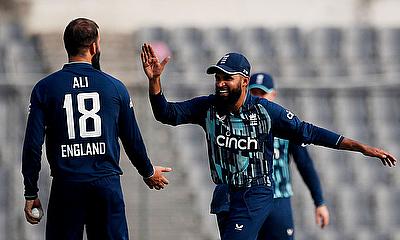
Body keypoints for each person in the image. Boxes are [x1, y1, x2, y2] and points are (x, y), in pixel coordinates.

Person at [140, 43, 396, 240]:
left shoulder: (266, 112)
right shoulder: (207, 107)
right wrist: (155, 82)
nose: (220, 83)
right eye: (217, 77)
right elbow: (166, 114)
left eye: (227, 78)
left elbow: (309, 133)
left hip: (256, 191)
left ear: (244, 81)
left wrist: (361, 147)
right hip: (225, 194)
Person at [22, 18, 171, 240]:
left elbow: (33, 145)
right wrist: (148, 172)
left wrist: (31, 191)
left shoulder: (45, 89)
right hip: (105, 185)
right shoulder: (114, 86)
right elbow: (131, 138)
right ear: (94, 47)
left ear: (67, 46)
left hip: (67, 185)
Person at [211, 72, 329, 240]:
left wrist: (319, 202)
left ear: (273, 95)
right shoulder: (235, 123)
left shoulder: (285, 125)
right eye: (254, 92)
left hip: (278, 199)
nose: (259, 97)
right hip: (246, 199)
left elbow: (305, 164)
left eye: (263, 93)